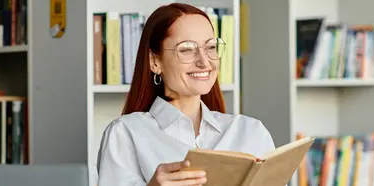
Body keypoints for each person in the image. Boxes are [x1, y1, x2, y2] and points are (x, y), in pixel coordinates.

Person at [96, 3, 276, 186]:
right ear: (154, 61)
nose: (204, 62)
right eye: (187, 49)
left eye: (211, 47)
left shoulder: (251, 132)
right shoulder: (125, 133)